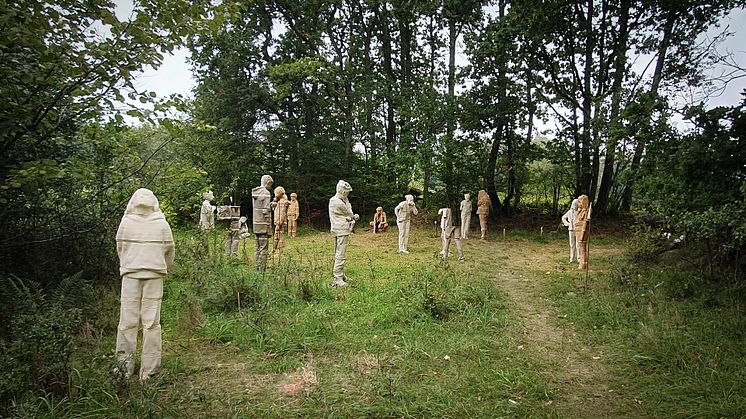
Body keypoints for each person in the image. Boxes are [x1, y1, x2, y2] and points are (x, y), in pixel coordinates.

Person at [115, 188, 174, 382]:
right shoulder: (162, 224)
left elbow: (120, 247)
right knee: (151, 323)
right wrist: (161, 267)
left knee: (127, 322)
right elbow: (169, 251)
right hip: (154, 275)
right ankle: (149, 370)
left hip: (130, 275)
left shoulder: (126, 222)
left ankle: (124, 367)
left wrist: (130, 264)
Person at [328, 180, 359, 287]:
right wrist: (353, 216)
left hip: (340, 229)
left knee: (339, 252)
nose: (348, 195)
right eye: (347, 193)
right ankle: (338, 277)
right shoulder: (337, 202)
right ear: (343, 192)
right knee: (340, 254)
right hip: (340, 229)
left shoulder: (338, 200)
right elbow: (350, 213)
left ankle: (340, 274)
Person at [252, 175, 273, 271]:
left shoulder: (255, 192)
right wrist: (269, 227)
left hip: (256, 223)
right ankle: (262, 270)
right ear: (268, 182)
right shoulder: (266, 193)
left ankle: (257, 266)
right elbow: (265, 211)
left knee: (257, 247)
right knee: (263, 248)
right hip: (263, 225)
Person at [574, 194, 591, 270]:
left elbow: (585, 223)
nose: (578, 204)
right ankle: (582, 263)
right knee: (580, 248)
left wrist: (583, 233)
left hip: (582, 233)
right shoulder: (580, 211)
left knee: (582, 248)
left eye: (579, 202)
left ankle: (583, 263)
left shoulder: (585, 212)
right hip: (578, 231)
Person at [272, 186, 289, 258]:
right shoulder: (279, 201)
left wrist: (279, 222)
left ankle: (279, 252)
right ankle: (274, 250)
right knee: (276, 236)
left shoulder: (283, 202)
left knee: (280, 237)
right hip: (278, 222)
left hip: (280, 222)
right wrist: (275, 202)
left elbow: (282, 213)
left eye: (275, 193)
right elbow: (275, 210)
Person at [561, 199, 579, 263]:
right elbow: (563, 217)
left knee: (578, 244)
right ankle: (571, 258)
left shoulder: (579, 212)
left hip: (577, 230)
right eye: (574, 204)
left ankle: (578, 258)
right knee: (572, 244)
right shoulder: (569, 212)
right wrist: (567, 224)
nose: (575, 206)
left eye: (576, 205)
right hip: (571, 229)